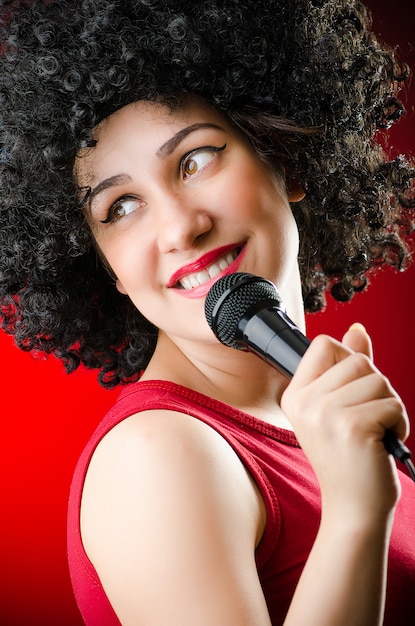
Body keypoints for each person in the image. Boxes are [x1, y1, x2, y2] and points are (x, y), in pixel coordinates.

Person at [0, 0, 414, 624]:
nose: (180, 227)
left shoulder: (325, 418)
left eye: (195, 160)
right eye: (120, 207)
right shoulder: (158, 454)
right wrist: (355, 510)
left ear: (282, 156)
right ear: (103, 269)